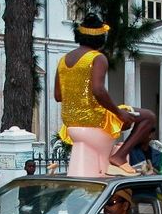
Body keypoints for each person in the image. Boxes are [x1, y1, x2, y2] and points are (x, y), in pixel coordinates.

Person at [55, 13, 156, 176]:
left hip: (70, 123)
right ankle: (120, 156)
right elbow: (98, 90)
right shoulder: (98, 58)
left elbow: (58, 96)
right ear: (101, 38)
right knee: (148, 116)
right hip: (94, 120)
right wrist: (119, 112)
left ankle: (116, 156)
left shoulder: (63, 60)